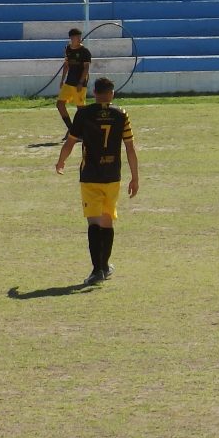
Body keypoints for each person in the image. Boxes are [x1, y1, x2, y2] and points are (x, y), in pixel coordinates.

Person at [55, 77, 139, 285]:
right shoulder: (121, 114)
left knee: (93, 221)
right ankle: (105, 266)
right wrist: (135, 177)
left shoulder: (84, 113)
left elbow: (71, 142)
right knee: (107, 220)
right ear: (112, 93)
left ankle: (97, 270)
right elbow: (130, 147)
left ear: (94, 92)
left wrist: (61, 161)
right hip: (112, 175)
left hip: (90, 174)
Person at [56, 28, 92, 135]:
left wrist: (81, 82)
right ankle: (71, 129)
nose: (80, 39)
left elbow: (86, 68)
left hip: (79, 84)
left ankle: (85, 130)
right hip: (69, 82)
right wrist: (62, 80)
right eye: (77, 37)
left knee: (80, 108)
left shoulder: (85, 52)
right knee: (60, 104)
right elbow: (66, 65)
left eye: (80, 36)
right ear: (71, 38)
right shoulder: (67, 49)